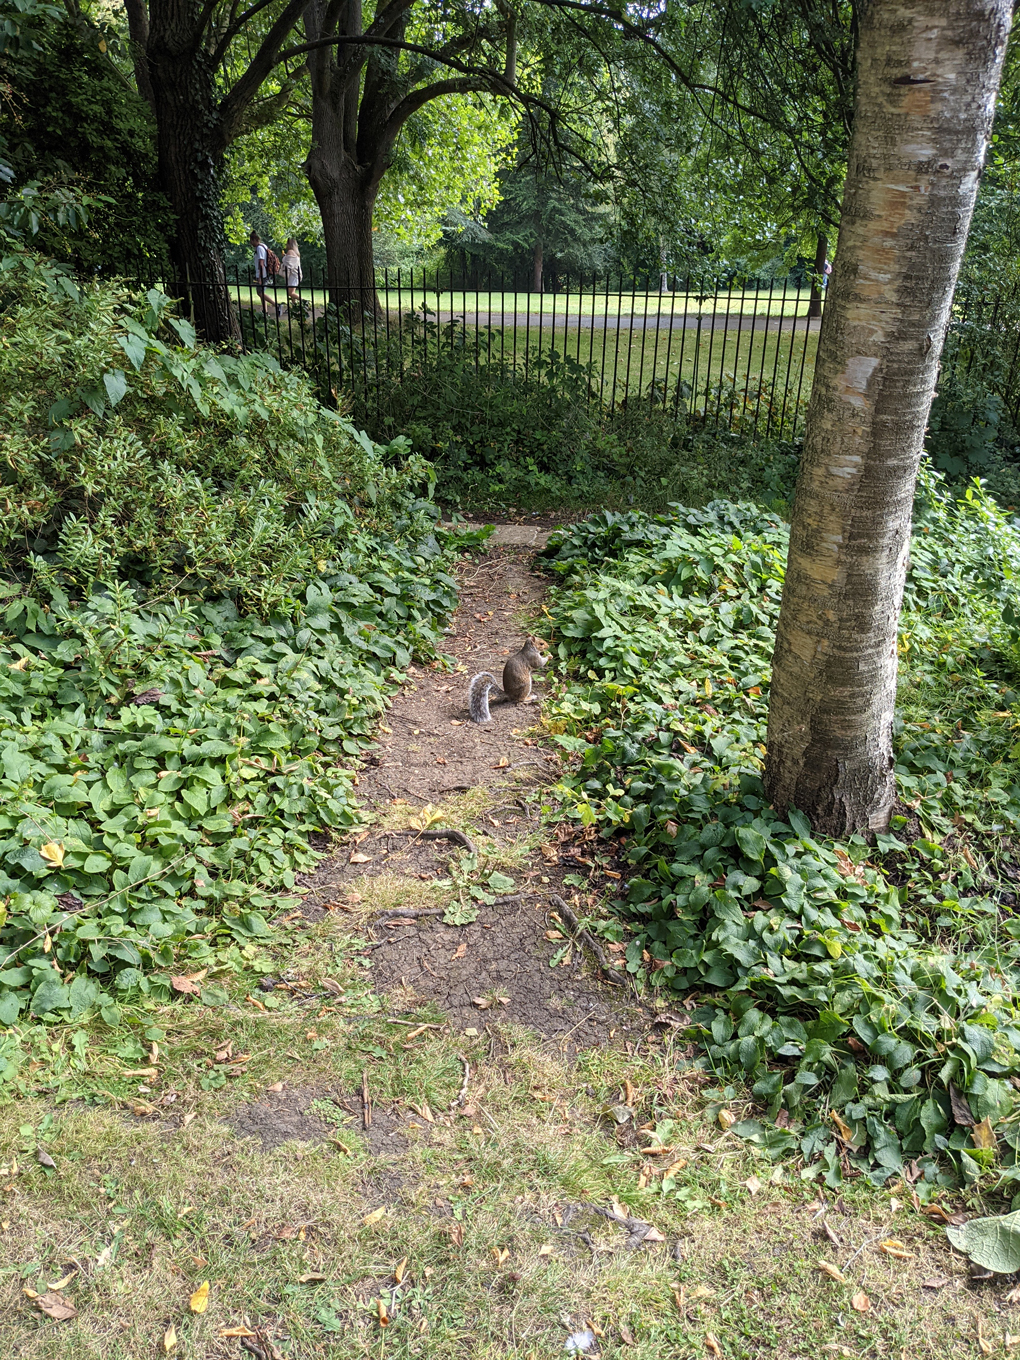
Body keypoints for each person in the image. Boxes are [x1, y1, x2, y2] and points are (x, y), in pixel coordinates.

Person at [250, 231, 281, 317]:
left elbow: (261, 263)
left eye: (251, 241)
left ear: (254, 240)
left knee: (260, 293)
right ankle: (265, 312)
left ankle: (276, 305)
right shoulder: (264, 246)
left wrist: (259, 277)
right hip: (263, 273)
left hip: (262, 274)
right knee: (261, 293)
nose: (251, 243)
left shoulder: (259, 248)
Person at [281, 238, 302, 304]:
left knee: (291, 293)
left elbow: (288, 264)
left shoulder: (290, 251)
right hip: (295, 275)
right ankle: (294, 306)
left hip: (293, 275)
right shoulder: (295, 252)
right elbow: (291, 261)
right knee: (291, 292)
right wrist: (285, 256)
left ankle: (304, 301)